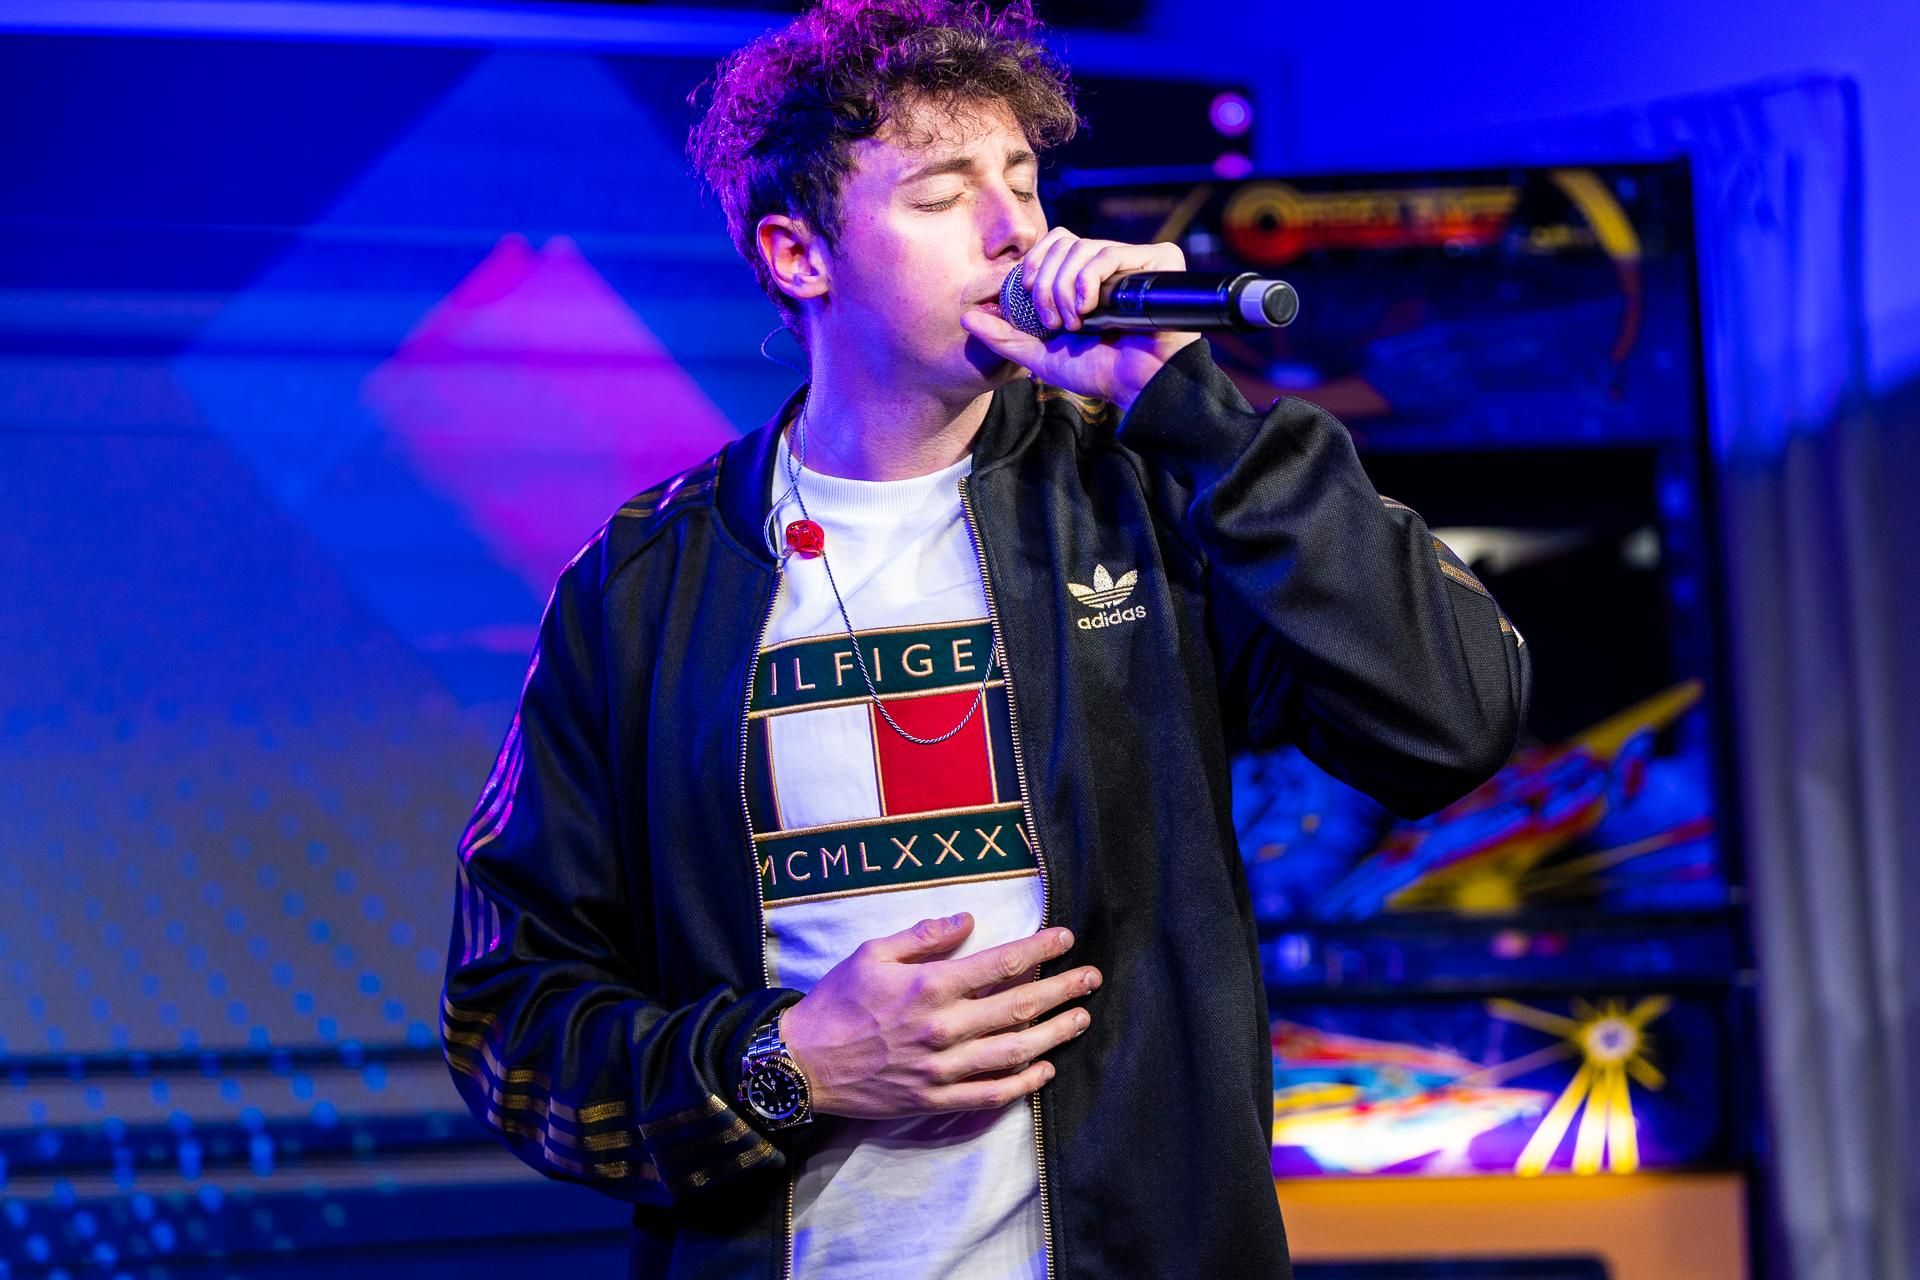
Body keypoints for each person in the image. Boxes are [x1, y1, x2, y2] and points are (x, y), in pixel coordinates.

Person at [440, 1, 1531, 1277]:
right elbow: (513, 1017)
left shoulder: (1145, 499)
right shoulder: (645, 585)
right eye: (943, 192)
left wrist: (1195, 412)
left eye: (1022, 179)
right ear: (799, 255)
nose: (1018, 229)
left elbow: (1455, 718)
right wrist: (787, 1065)